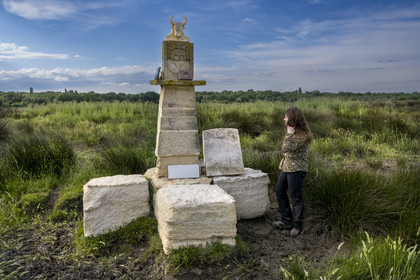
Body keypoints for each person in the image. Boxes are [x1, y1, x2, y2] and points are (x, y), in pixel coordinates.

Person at [272, 106, 312, 237]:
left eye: (286, 116)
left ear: (293, 118)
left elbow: (286, 148)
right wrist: (290, 133)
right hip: (287, 167)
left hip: (297, 169)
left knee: (295, 198)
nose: (284, 118)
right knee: (279, 190)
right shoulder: (294, 133)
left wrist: (289, 133)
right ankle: (286, 220)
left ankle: (296, 225)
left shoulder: (303, 136)